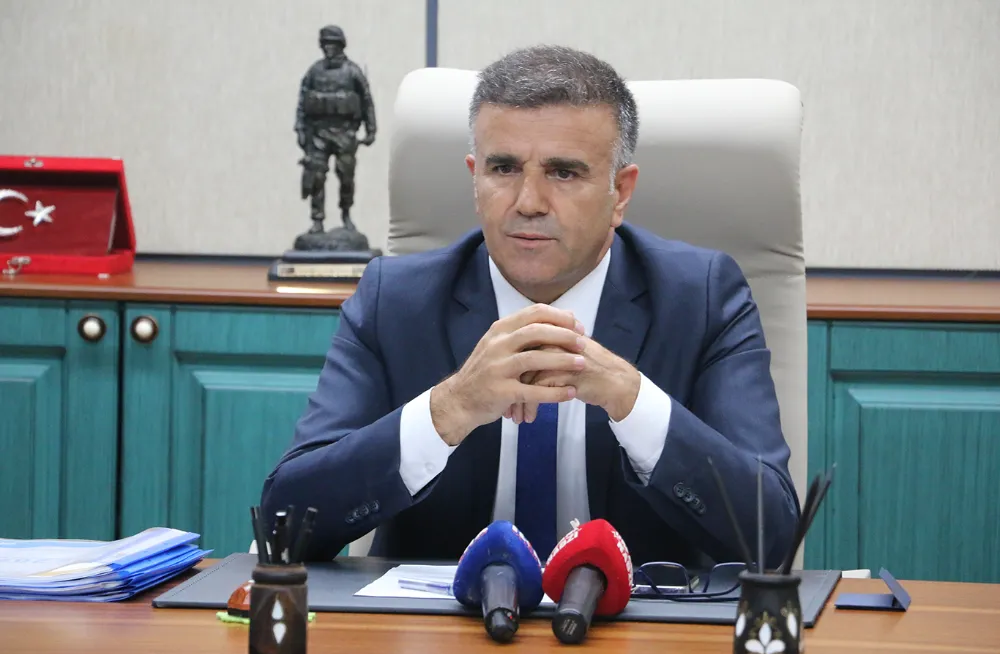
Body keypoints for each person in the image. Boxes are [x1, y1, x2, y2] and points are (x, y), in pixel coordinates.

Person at [262, 45, 800, 569]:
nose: (528, 202)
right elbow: (282, 530)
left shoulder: (701, 298)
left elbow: (771, 537)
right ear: (475, 179)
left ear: (620, 192)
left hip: (634, 625)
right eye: (503, 168)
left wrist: (632, 400)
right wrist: (449, 408)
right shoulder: (395, 301)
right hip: (446, 625)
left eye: (564, 173)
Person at [295, 25, 376, 233]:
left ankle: (346, 214)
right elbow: (302, 102)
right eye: (325, 44)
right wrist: (301, 130)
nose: (327, 48)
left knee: (346, 176)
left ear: (340, 45)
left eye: (331, 44)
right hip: (318, 133)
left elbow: (367, 100)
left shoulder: (352, 72)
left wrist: (371, 129)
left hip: (345, 133)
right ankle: (317, 219)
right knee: (316, 177)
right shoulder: (314, 72)